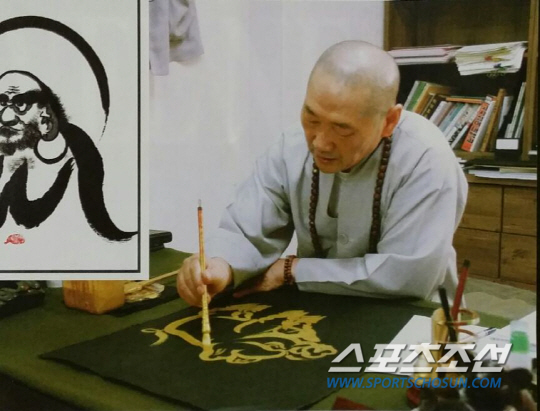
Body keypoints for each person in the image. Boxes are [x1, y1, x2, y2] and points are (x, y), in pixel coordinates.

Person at [177, 40, 468, 307]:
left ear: (389, 121)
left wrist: (293, 270)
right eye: (311, 117)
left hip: (413, 314)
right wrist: (219, 265)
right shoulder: (291, 147)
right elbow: (247, 229)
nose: (320, 142)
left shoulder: (425, 159)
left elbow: (406, 275)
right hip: (318, 304)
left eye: (342, 128)